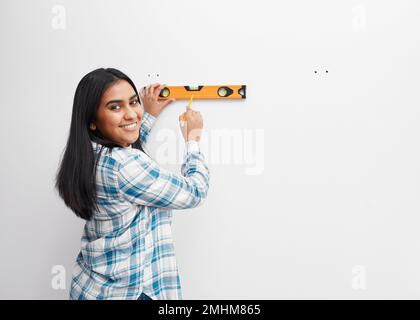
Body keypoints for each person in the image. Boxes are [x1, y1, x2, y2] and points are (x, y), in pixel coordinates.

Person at [55, 68, 210, 300]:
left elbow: (127, 155)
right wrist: (193, 139)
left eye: (133, 102)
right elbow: (196, 191)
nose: (131, 114)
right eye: (115, 107)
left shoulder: (90, 157)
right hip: (131, 292)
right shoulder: (126, 166)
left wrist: (146, 116)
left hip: (91, 289)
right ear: (93, 121)